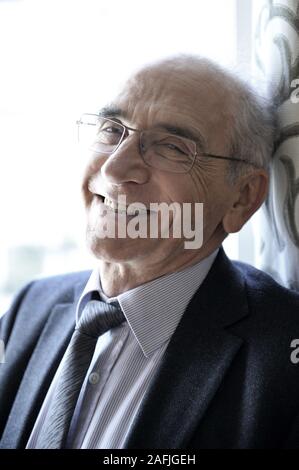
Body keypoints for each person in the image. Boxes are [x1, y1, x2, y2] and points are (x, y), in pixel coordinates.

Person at [1, 54, 299, 450]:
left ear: (242, 199)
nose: (115, 168)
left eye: (172, 147)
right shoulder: (30, 305)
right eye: (111, 129)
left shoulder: (282, 357)